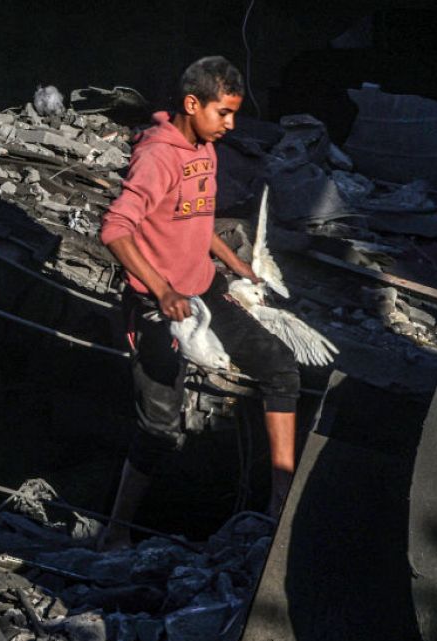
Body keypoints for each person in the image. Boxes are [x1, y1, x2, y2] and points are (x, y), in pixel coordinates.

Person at [97, 56, 300, 550]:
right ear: (193, 104)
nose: (231, 124)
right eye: (223, 113)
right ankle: (117, 530)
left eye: (233, 113)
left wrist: (237, 264)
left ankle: (280, 504)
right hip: (157, 306)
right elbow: (115, 229)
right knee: (161, 429)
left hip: (205, 288)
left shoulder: (204, 148)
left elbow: (198, 218)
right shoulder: (157, 157)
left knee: (282, 369)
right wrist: (163, 290)